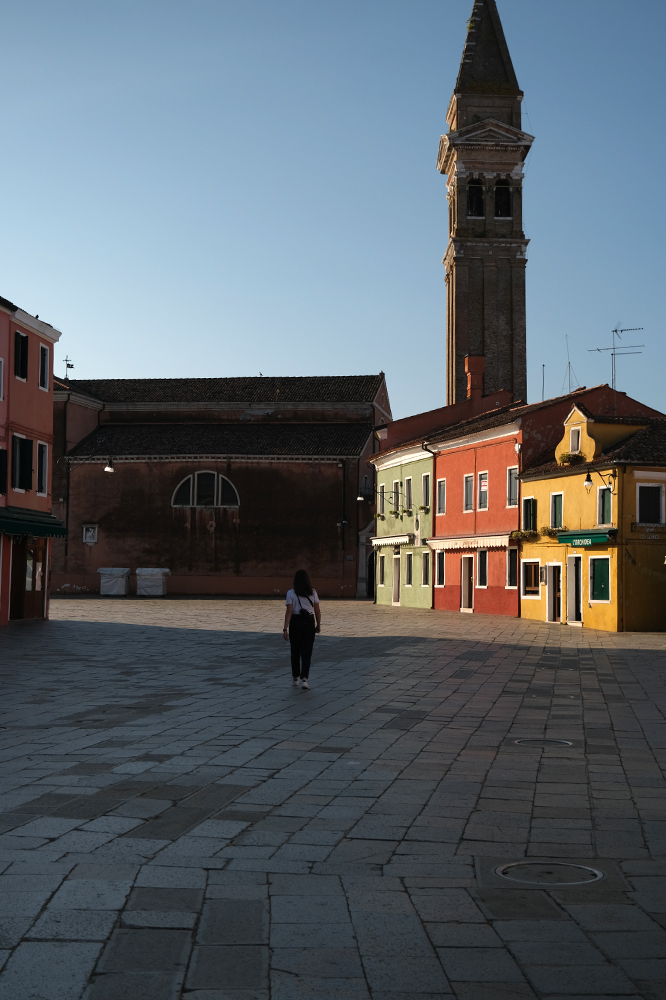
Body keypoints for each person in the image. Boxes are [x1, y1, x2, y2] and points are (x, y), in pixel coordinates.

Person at [283, 570, 321, 690]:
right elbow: (317, 610)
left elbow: (289, 611)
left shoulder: (291, 593)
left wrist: (285, 628)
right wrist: (318, 624)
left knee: (295, 651)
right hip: (309, 622)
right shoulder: (313, 592)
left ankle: (295, 677)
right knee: (307, 652)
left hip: (295, 622)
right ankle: (305, 679)